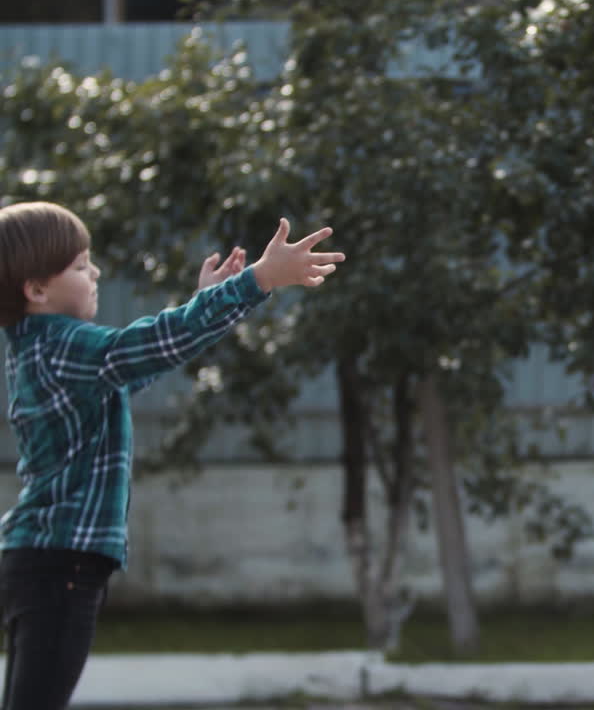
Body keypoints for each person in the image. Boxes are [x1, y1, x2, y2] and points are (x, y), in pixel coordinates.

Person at [0, 201, 344, 710]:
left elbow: (148, 359)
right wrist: (256, 280)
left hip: (45, 559)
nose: (94, 272)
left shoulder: (42, 350)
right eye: (78, 265)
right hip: (60, 563)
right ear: (36, 290)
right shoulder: (63, 346)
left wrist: (207, 303)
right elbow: (156, 342)